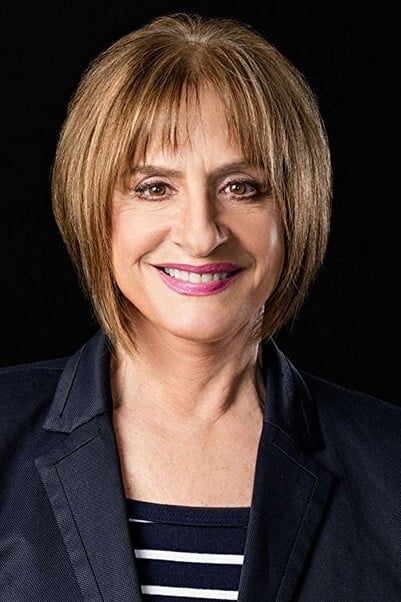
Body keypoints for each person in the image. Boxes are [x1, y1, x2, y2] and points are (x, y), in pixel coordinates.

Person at [0, 11, 400, 602]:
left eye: (241, 187)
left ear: (297, 208)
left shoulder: (391, 464)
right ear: (93, 209)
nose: (201, 234)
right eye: (154, 188)